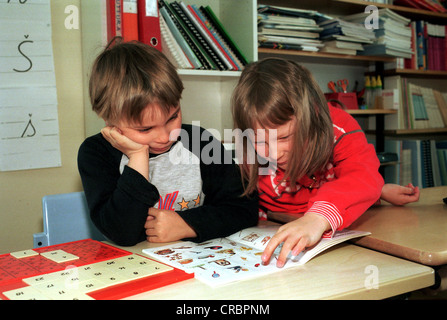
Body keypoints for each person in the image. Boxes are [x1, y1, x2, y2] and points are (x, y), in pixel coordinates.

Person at [231, 58, 415, 268]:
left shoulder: (338, 126)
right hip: (277, 225)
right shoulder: (248, 145)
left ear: (313, 117)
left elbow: (361, 174)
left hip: (323, 225)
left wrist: (318, 219)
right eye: (260, 141)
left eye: (284, 138)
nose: (273, 153)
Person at [77, 39, 258, 246]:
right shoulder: (95, 154)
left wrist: (186, 224)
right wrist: (137, 158)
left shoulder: (200, 141)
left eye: (173, 117)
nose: (165, 137)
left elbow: (245, 209)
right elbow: (122, 232)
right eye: (145, 129)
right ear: (110, 122)